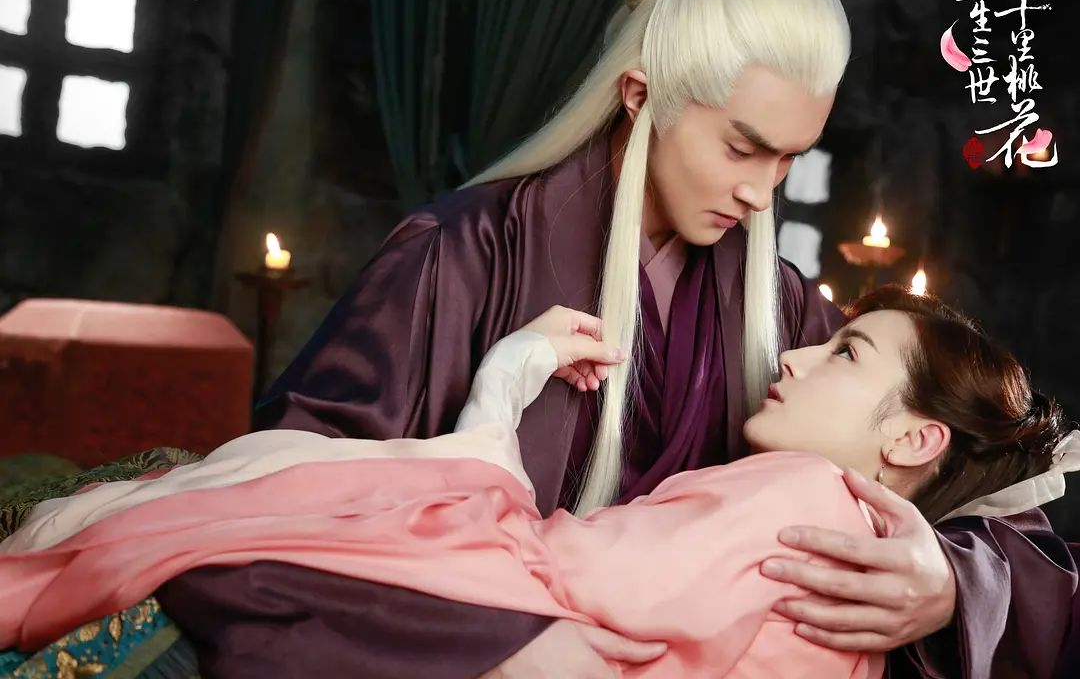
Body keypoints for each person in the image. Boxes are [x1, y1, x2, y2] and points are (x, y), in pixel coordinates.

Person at [154, 0, 1075, 676]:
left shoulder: (787, 311)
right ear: (641, 96)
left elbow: (989, 491)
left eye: (790, 161)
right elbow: (275, 512)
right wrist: (503, 647)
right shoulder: (459, 259)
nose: (763, 195)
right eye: (742, 148)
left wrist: (948, 586)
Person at [3, 290, 1076, 679]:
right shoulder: (863, 576)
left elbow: (572, 579)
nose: (794, 355)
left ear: (916, 437)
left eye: (845, 354)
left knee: (256, 548)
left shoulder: (798, 493)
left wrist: (494, 413)